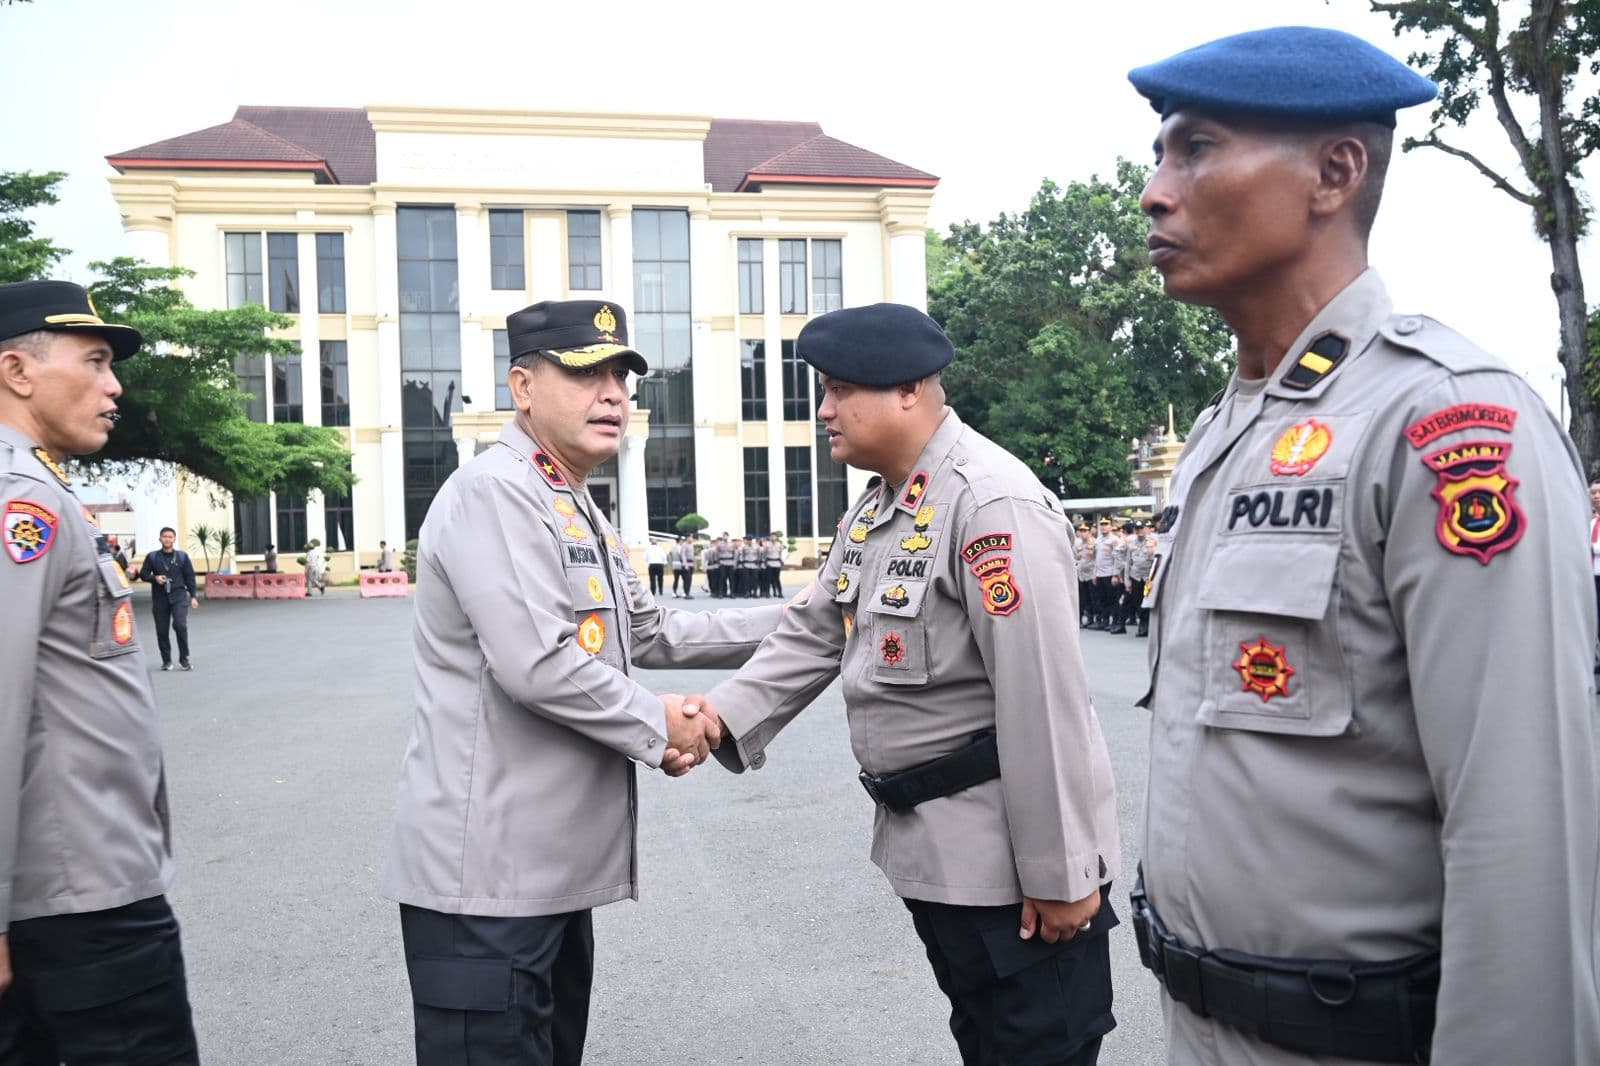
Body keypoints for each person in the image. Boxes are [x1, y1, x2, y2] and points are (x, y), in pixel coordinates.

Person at [1126, 27, 1600, 1065]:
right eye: (1159, 156)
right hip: (1197, 1026)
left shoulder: (1446, 426)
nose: (1156, 191)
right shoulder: (1224, 432)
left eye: (1195, 147)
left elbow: (1522, 835)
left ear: (1334, 172)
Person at [698, 303, 1122, 1066]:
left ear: (908, 391)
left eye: (837, 390)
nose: (823, 410)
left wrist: (1062, 874)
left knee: (1037, 1049)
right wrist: (715, 720)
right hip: (939, 857)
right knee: (988, 1043)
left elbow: (1046, 699)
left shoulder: (989, 503)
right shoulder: (883, 505)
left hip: (1011, 874)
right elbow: (815, 629)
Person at [382, 298, 783, 1066]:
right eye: (585, 373)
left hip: (545, 883)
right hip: (486, 885)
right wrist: (663, 722)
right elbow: (538, 663)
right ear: (522, 387)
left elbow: (653, 630)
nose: (613, 394)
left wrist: (808, 615)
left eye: (621, 377)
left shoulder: (570, 501)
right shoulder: (495, 491)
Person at [0, 280, 198, 1062]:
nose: (115, 386)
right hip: (79, 906)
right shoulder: (24, 504)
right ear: (18, 371)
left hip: (79, 889)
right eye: (95, 362)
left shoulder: (42, 490)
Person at [137, 525, 200, 671]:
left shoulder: (182, 557)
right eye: (165, 536)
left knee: (180, 625)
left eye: (170, 537)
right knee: (161, 630)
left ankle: (184, 658)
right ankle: (166, 660)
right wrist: (155, 578)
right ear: (160, 538)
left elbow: (189, 577)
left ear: (174, 539)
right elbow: (143, 574)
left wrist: (193, 596)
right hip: (160, 597)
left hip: (178, 595)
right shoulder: (152, 556)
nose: (167, 539)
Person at [763, 533, 783, 598]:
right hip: (769, 563)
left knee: (777, 579)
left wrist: (781, 562)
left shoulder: (780, 545)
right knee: (768, 579)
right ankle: (767, 593)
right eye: (772, 536)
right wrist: (765, 562)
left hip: (777, 564)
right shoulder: (767, 545)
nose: (773, 538)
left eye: (774, 536)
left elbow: (781, 554)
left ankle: (780, 592)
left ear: (776, 537)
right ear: (770, 537)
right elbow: (764, 554)